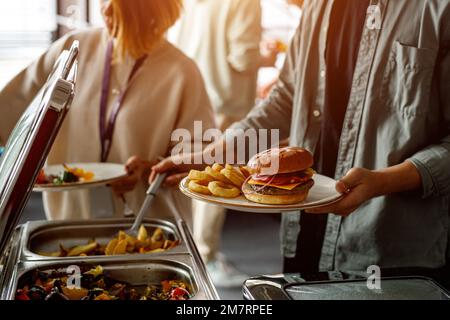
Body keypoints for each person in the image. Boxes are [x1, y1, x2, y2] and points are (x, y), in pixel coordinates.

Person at [151, 0, 450, 282]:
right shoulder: (318, 5)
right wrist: (213, 153)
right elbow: (286, 99)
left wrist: (382, 182)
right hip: (306, 229)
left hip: (387, 247)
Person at [0, 0, 214, 225]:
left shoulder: (181, 72)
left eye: (118, 5)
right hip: (69, 223)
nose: (105, 10)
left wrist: (152, 167)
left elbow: (201, 158)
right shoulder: (72, 50)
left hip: (148, 229)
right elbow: (10, 110)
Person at [171, 0, 274, 287]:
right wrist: (269, 55)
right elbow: (243, 57)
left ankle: (190, 253)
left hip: (192, 94)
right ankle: (207, 258)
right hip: (226, 101)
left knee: (192, 177)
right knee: (216, 182)